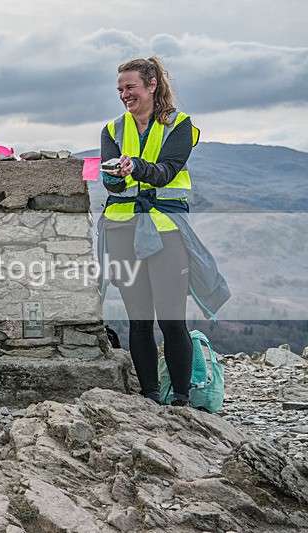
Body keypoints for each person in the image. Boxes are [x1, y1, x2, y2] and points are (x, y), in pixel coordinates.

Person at [96, 57, 229, 407]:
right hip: (123, 228)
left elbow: (167, 171)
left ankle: (181, 401)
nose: (125, 95)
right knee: (138, 319)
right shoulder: (112, 130)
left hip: (166, 230)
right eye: (120, 89)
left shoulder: (180, 125)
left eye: (131, 87)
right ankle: (151, 397)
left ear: (151, 85)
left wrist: (135, 167)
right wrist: (113, 175)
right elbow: (110, 180)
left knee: (172, 320)